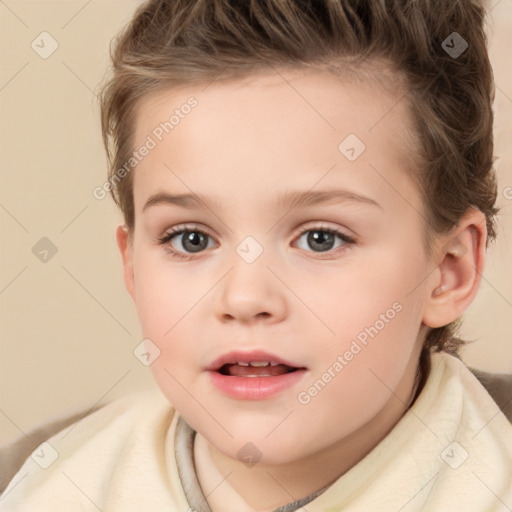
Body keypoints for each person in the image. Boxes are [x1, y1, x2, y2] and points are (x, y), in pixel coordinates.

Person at [1, 0, 511, 510]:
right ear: (132, 266)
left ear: (448, 271)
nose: (245, 298)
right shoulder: (37, 482)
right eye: (191, 239)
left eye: (321, 239)